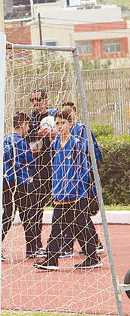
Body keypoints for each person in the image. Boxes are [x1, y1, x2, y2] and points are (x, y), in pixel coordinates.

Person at [35, 107, 102, 271]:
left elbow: (84, 170)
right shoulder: (54, 145)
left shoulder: (76, 144)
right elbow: (55, 169)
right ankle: (52, 259)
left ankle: (92, 257)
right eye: (57, 123)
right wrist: (55, 189)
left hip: (76, 195)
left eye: (62, 123)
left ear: (70, 124)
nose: (59, 126)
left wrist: (77, 189)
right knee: (57, 227)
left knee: (81, 226)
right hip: (60, 194)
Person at [0, 112, 43, 259]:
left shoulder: (5, 140)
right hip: (20, 183)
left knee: (7, 215)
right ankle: (32, 248)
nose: (29, 129)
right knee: (28, 215)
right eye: (28, 126)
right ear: (22, 125)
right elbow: (31, 163)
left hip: (6, 183)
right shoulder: (21, 142)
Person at [60, 101, 105, 255]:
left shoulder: (81, 131)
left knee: (77, 213)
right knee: (75, 214)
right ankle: (92, 243)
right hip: (68, 181)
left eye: (69, 113)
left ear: (75, 114)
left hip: (80, 179)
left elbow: (88, 153)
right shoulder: (63, 134)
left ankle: (72, 246)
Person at [25, 88, 58, 253]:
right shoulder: (29, 120)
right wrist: (37, 134)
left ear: (45, 100)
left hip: (55, 167)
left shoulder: (54, 116)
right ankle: (34, 246)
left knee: (62, 205)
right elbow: (23, 137)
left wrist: (53, 134)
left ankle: (64, 245)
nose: (34, 103)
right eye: (32, 100)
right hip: (37, 169)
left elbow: (64, 132)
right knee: (35, 207)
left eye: (37, 99)